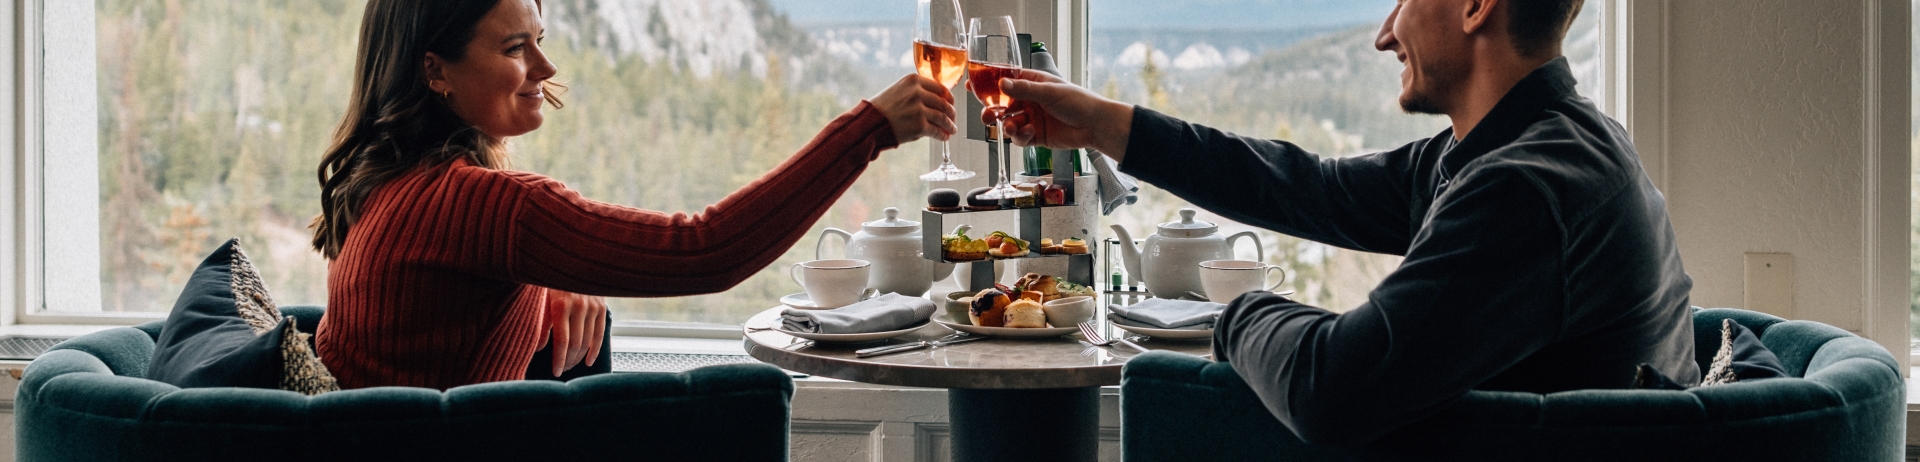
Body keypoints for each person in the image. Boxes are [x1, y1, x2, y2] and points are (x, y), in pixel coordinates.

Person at [993, 0, 1696, 444]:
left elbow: (1330, 390)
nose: (1385, 34)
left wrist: (1239, 311)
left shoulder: (1527, 188)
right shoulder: (1539, 139)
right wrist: (1106, 125)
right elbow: (1309, 188)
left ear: (1478, 7)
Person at [310, 0, 957, 390]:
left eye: (541, 40)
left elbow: (443, 313)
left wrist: (543, 287)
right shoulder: (474, 206)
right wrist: (868, 131)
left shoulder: (390, 186)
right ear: (435, 71)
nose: (545, 68)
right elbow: (704, 250)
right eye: (515, 48)